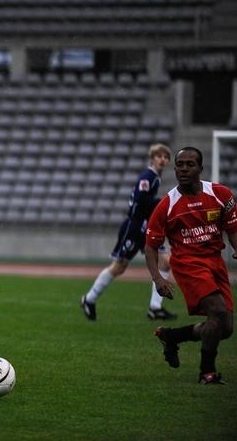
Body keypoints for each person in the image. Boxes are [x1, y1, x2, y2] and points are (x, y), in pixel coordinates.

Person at [145, 147, 237, 385]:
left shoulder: (221, 195)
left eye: (190, 164)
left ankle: (171, 336)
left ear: (200, 168)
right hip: (188, 264)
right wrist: (158, 279)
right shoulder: (167, 205)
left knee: (224, 327)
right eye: (180, 165)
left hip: (215, 262)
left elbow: (232, 229)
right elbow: (151, 245)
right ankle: (207, 373)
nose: (184, 169)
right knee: (217, 312)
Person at [80, 143, 177, 321]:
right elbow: (141, 199)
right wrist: (163, 203)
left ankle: (155, 307)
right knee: (119, 266)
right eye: (159, 156)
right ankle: (89, 299)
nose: (162, 159)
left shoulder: (155, 177)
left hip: (146, 227)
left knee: (165, 262)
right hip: (134, 227)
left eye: (166, 157)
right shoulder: (148, 176)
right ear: (152, 158)